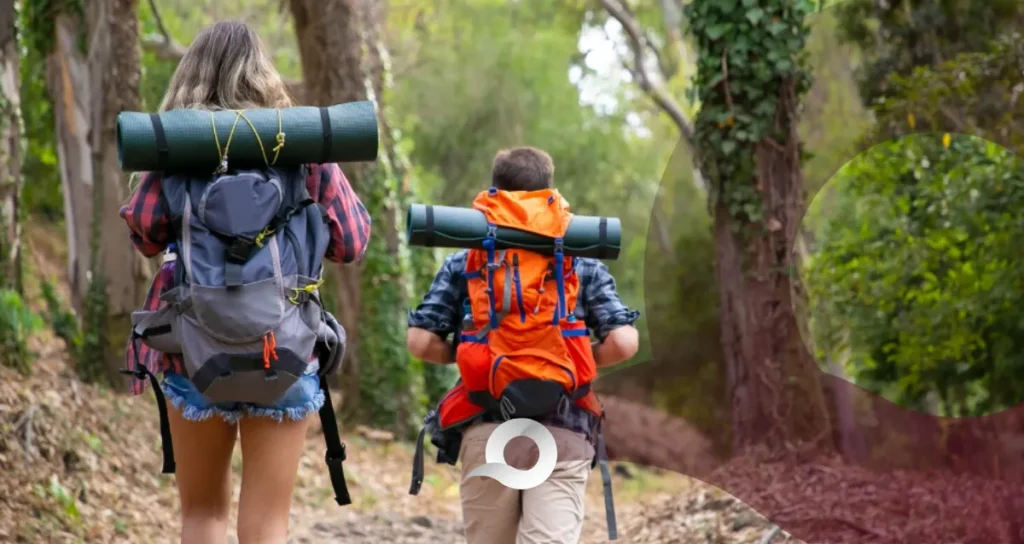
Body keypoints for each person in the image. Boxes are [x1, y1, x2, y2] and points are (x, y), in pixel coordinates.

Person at [119, 21, 371, 544]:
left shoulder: (175, 152)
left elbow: (144, 233)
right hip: (285, 346)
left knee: (203, 514)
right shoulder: (300, 148)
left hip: (191, 352)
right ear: (264, 73)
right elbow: (352, 240)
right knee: (267, 526)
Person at [406, 146, 640, 544]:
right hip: (564, 426)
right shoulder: (579, 261)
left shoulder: (468, 260)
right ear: (548, 190)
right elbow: (623, 342)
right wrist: (576, 358)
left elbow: (420, 341)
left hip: (489, 425)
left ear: (494, 191)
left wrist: (465, 351)